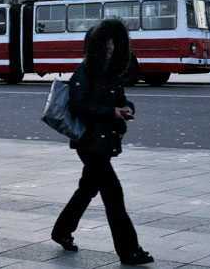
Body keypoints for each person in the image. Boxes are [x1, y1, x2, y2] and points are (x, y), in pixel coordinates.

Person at [51, 18, 154, 266]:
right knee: (113, 195)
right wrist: (111, 112)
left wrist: (126, 108)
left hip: (104, 142)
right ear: (95, 49)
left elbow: (121, 99)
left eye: (113, 48)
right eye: (106, 49)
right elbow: (79, 104)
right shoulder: (84, 73)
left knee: (87, 189)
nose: (110, 52)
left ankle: (61, 231)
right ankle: (129, 251)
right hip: (89, 144)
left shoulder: (110, 74)